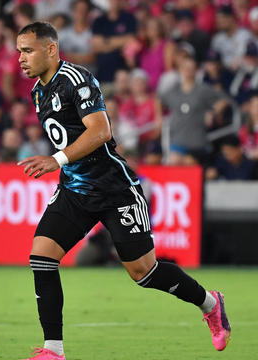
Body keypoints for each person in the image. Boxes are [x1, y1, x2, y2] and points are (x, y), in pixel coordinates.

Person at [15, 22, 230, 360]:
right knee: (42, 256)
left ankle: (210, 303)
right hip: (75, 189)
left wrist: (56, 159)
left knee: (143, 273)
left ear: (51, 49)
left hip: (115, 190)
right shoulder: (38, 92)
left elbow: (100, 132)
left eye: (27, 50)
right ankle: (53, 351)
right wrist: (63, 166)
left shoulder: (77, 80)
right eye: (18, 51)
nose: (21, 58)